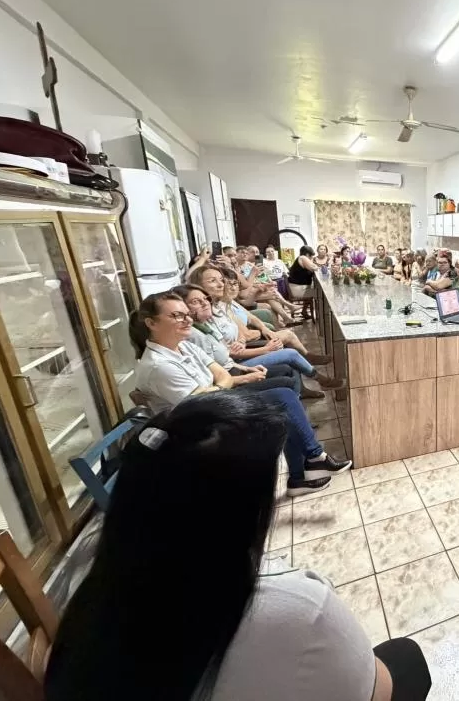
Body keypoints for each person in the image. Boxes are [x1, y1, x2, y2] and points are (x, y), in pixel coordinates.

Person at [43, 391, 432, 701]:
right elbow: (376, 691)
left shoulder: (86, 574)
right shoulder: (294, 607)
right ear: (242, 505)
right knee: (407, 658)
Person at [128, 293, 352, 496]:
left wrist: (219, 383)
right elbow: (198, 400)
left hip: (212, 401)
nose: (187, 320)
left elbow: (221, 374)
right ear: (151, 323)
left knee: (286, 399)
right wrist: (221, 383)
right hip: (194, 426)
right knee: (284, 398)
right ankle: (313, 459)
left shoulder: (182, 345)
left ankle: (304, 471)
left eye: (187, 315)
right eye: (177, 315)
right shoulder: (158, 365)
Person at [175, 285, 326, 399]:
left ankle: (303, 390)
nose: (224, 285)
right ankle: (315, 376)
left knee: (288, 363)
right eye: (196, 301)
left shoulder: (211, 317)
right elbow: (225, 358)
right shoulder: (193, 333)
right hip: (232, 370)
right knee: (290, 355)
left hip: (236, 362)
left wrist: (243, 339)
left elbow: (235, 336)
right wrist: (264, 351)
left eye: (205, 299)